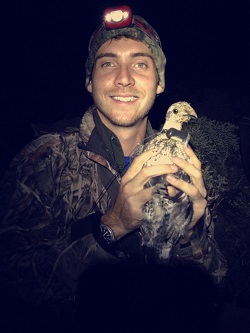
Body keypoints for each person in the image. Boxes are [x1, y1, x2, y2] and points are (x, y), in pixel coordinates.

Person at [0, 5, 227, 332]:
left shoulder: (180, 163)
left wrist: (191, 235)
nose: (124, 78)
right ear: (90, 82)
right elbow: (13, 291)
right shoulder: (44, 159)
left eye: (139, 63)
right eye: (108, 63)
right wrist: (113, 225)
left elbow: (215, 287)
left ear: (159, 83)